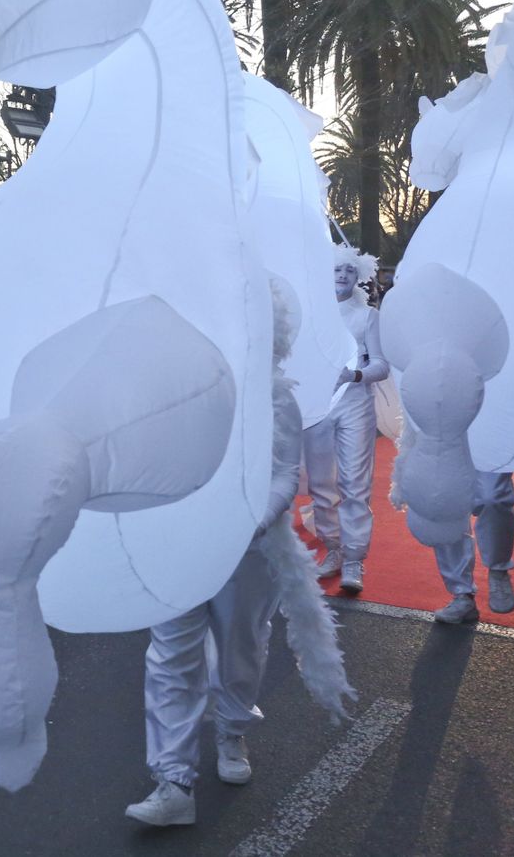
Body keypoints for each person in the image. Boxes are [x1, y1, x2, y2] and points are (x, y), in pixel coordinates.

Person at [125, 280, 305, 827]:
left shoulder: (277, 398)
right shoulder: (175, 388)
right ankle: (173, 782)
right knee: (170, 657)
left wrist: (251, 520)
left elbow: (285, 473)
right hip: (178, 542)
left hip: (247, 550)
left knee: (239, 647)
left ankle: (231, 733)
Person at [302, 246, 389, 593]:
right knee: (321, 484)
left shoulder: (367, 316)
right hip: (318, 407)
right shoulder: (311, 314)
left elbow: (381, 365)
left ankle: (354, 558)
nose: (342, 275)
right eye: (337, 270)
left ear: (358, 277)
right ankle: (334, 548)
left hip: (355, 405)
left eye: (349, 271)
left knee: (355, 483)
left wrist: (354, 375)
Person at [430, 471, 514, 624]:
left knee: (493, 497)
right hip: (446, 454)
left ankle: (499, 569)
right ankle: (462, 594)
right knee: (446, 504)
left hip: (491, 454)